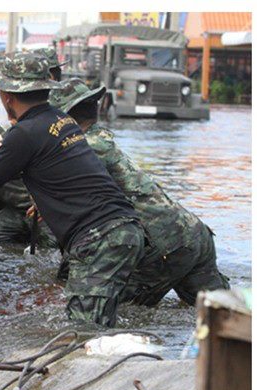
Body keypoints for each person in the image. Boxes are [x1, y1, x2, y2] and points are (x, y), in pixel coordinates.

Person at [0, 51, 145, 327]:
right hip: (122, 231)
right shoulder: (58, 120)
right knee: (93, 321)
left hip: (100, 240)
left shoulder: (27, 132)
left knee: (84, 333)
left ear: (6, 96)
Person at [48, 78, 230, 306]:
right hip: (194, 233)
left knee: (109, 311)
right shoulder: (102, 140)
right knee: (226, 314)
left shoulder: (79, 148)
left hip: (163, 245)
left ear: (61, 118)